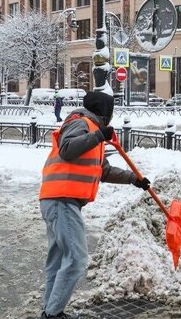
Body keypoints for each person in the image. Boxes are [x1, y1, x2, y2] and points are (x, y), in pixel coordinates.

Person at [39, 92, 151, 319]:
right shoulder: (81, 122)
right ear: (104, 111)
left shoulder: (91, 130)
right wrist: (99, 135)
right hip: (62, 200)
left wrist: (134, 179)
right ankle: (53, 314)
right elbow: (68, 149)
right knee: (78, 259)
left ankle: (50, 310)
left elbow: (104, 170)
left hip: (57, 199)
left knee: (59, 260)